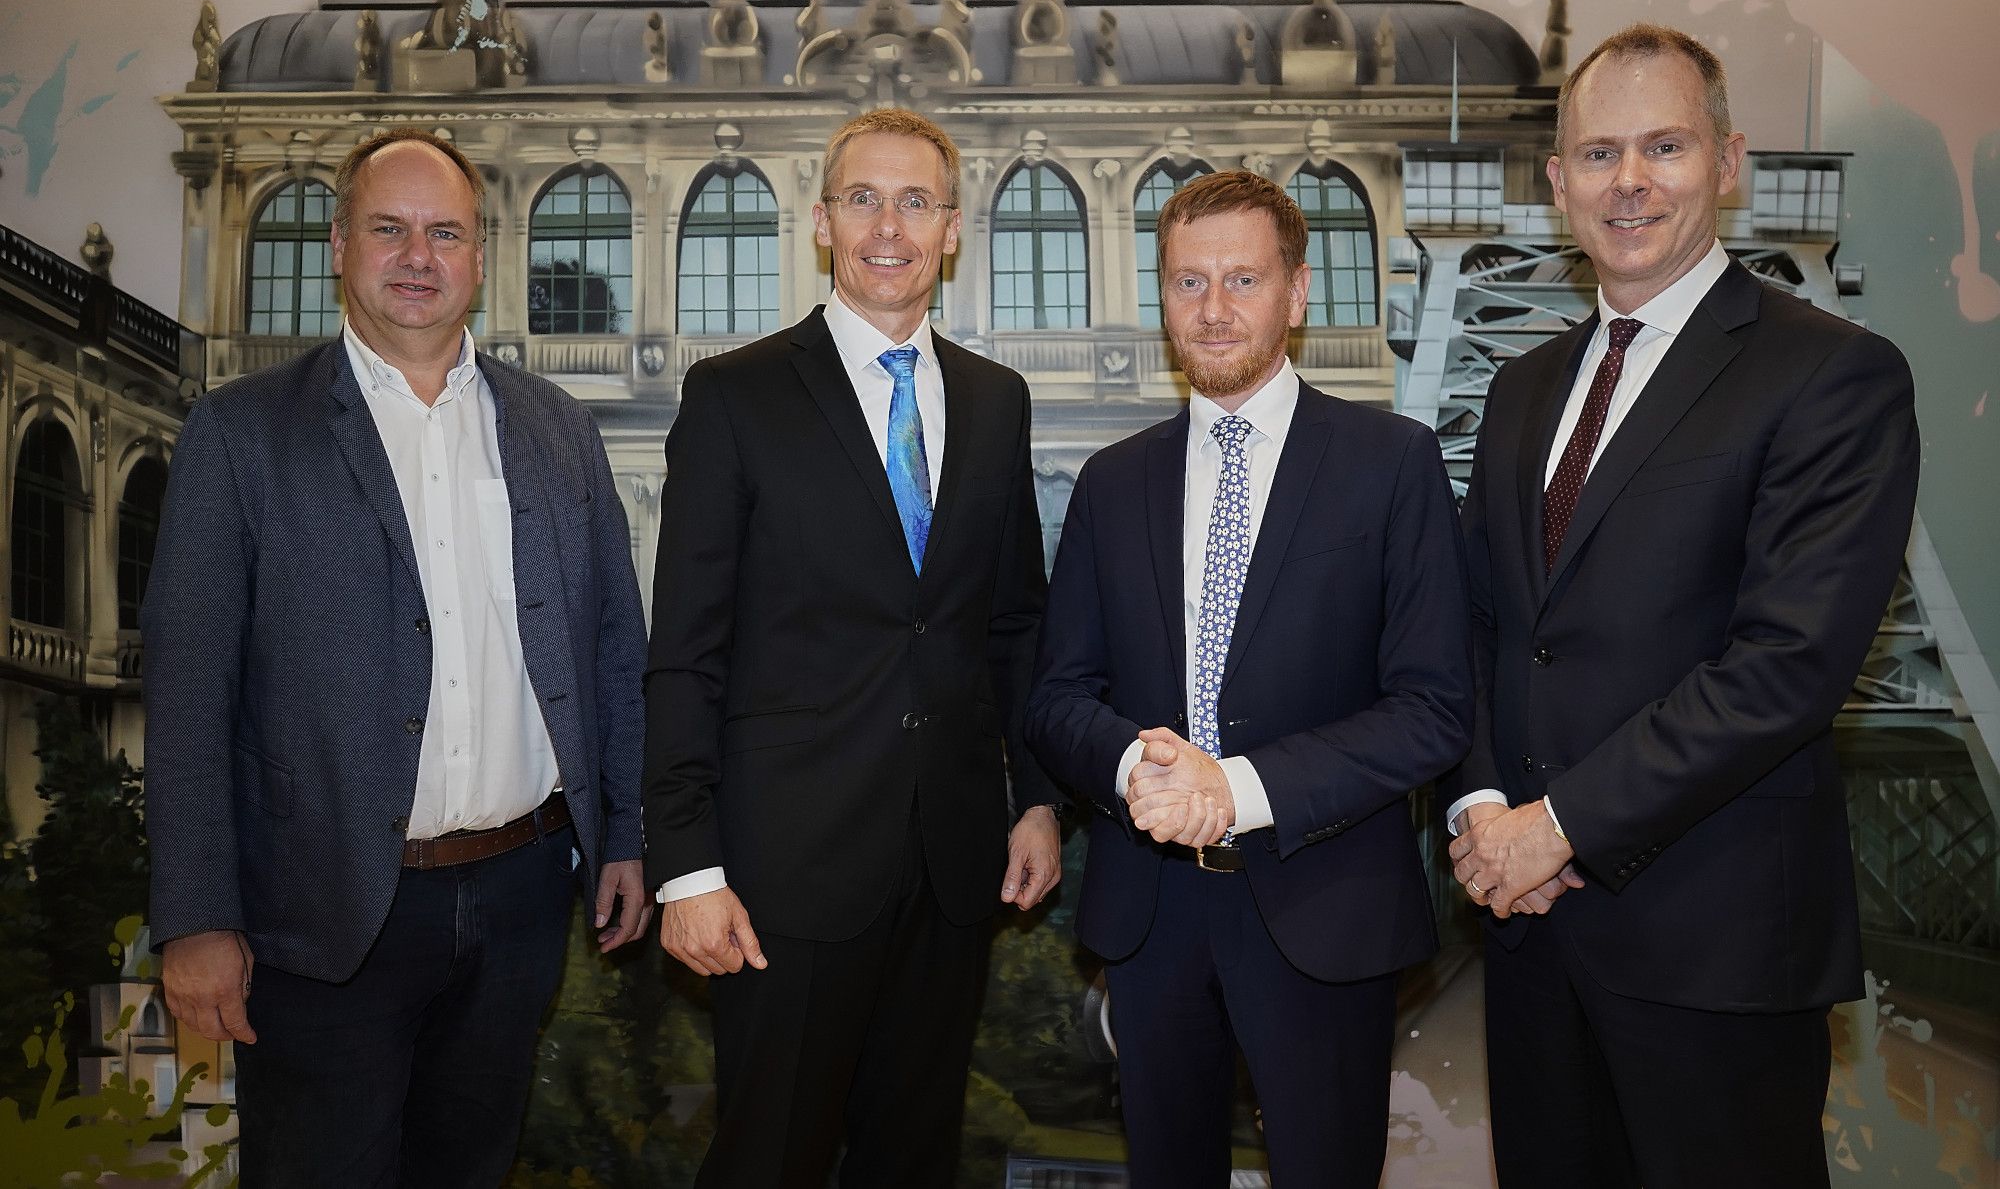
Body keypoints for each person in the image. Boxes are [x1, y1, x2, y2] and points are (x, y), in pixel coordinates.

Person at [1442, 23, 1920, 1188]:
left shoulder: (1830, 374)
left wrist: (1555, 828)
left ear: (1728, 159)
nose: (1630, 181)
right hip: (1530, 938)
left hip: (1713, 954)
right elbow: (1485, 629)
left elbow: (1785, 666)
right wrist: (1482, 806)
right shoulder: (1519, 387)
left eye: (1663, 145)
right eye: (1598, 154)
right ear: (1557, 182)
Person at [143, 127, 652, 1188]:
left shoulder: (557, 429)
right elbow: (190, 689)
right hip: (322, 914)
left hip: (520, 896)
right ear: (339, 245)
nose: (417, 256)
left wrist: (627, 836)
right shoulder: (240, 436)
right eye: (389, 229)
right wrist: (195, 916)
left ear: (479, 256)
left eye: (445, 233)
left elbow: (611, 647)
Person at [643, 108, 1064, 1188]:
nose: (890, 225)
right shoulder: (733, 396)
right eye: (864, 199)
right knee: (767, 1160)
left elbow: (1011, 623)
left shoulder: (993, 400)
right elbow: (684, 649)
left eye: (915, 200)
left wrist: (1032, 800)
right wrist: (685, 863)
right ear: (822, 222)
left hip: (951, 866)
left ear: (953, 228)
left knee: (913, 1159)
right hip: (783, 876)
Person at [1026, 170, 1472, 1187]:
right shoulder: (1113, 481)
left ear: (1296, 293)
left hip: (1322, 903)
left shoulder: (1389, 463)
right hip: (1151, 915)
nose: (1214, 309)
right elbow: (1056, 697)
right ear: (1161, 300)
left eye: (1241, 279)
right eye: (1187, 283)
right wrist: (1143, 769)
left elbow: (1433, 706)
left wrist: (1237, 789)